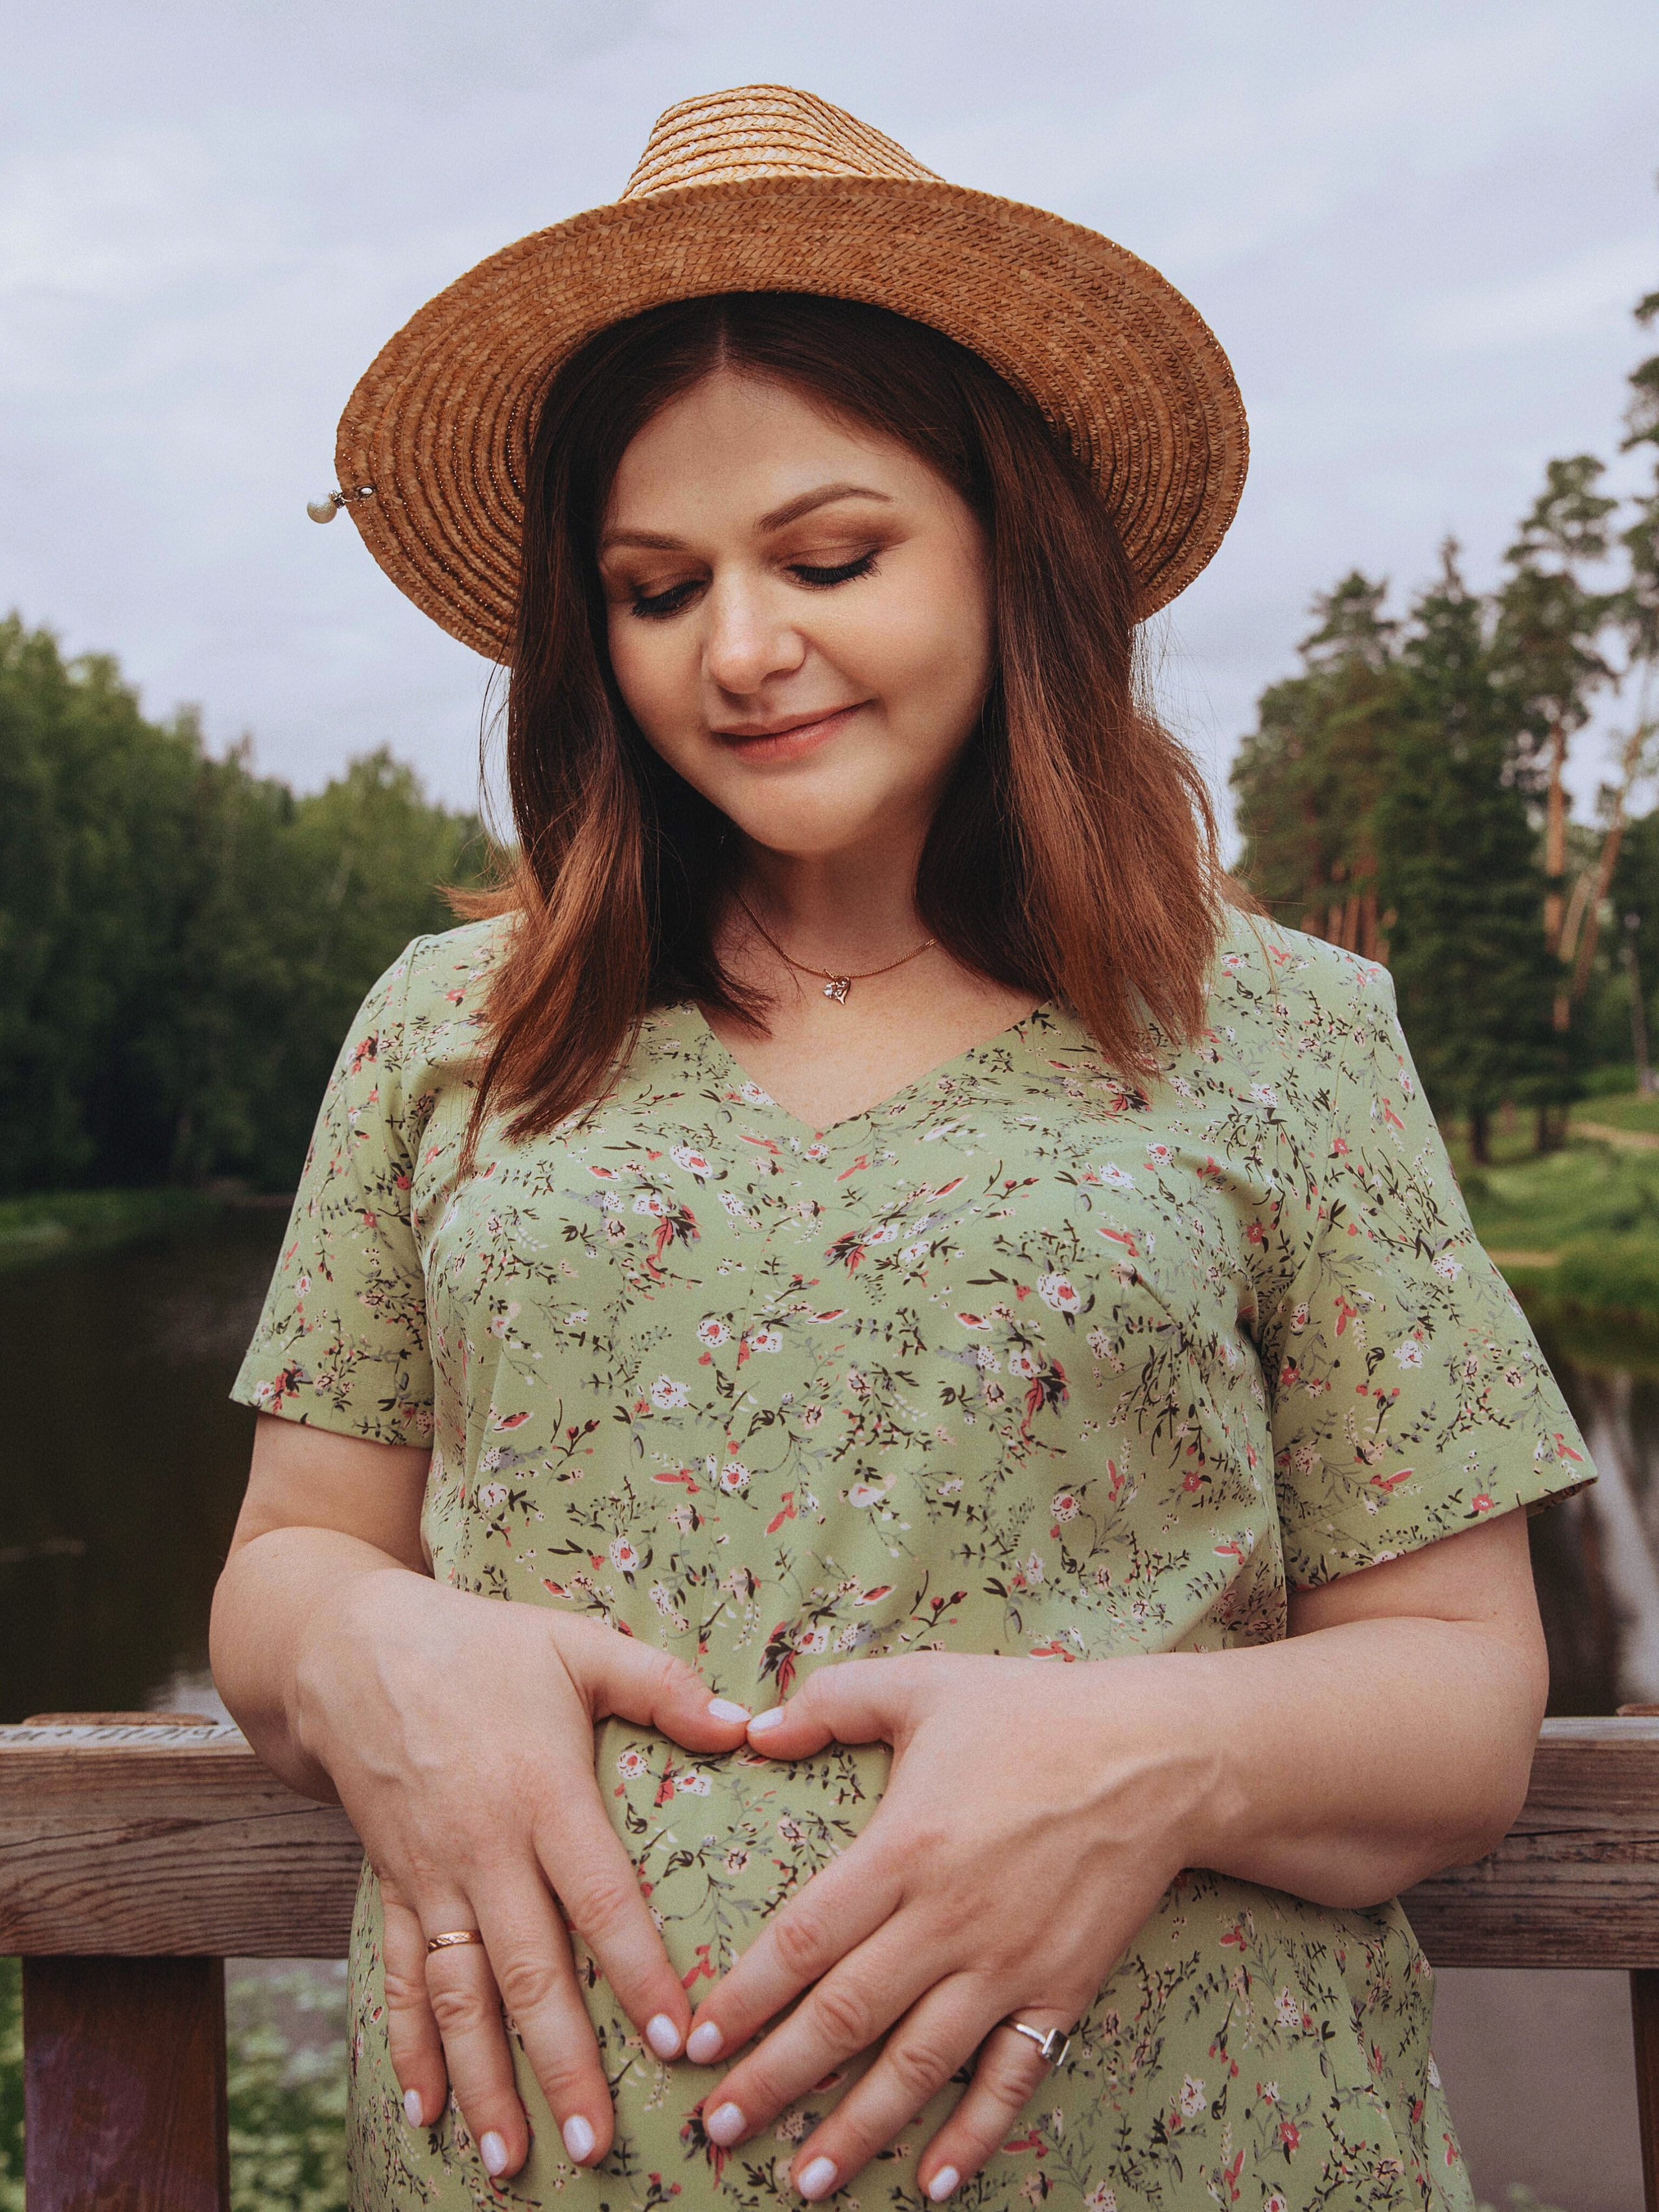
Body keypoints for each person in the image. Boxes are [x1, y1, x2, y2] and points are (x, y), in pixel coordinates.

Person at [211, 84, 1590, 2212]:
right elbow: (286, 1557)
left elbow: (1468, 1691)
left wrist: (1143, 1755)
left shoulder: (1287, 1031)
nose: (742, 650)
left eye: (831, 557)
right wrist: (363, 1644)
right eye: (658, 590)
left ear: (1004, 548)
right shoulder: (450, 1030)